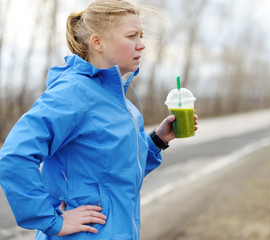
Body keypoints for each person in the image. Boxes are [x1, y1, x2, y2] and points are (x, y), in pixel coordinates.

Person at [0, 0, 198, 239]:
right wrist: (52, 221)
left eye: (141, 36)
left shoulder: (119, 100)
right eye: (132, 36)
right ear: (97, 42)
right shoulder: (73, 92)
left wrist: (157, 140)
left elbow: (115, 172)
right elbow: (14, 156)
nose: (142, 45)